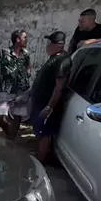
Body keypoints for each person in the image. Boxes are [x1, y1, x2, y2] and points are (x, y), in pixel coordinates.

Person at [30, 31, 72, 163]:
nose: (47, 46)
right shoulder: (55, 57)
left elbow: (58, 87)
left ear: (58, 45)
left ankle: (39, 161)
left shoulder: (62, 61)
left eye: (50, 43)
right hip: (40, 102)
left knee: (44, 133)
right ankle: (40, 154)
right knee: (39, 130)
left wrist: (49, 107)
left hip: (46, 104)